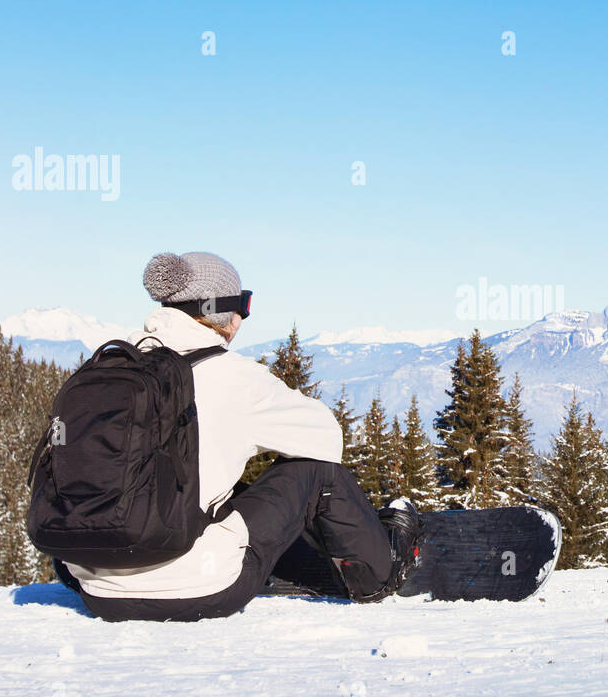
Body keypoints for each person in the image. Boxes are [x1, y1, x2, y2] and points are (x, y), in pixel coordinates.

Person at [54, 251, 421, 622]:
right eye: (243, 305)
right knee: (319, 474)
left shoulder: (110, 368)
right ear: (223, 313)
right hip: (199, 588)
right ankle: (380, 573)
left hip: (96, 588)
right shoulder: (233, 375)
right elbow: (326, 439)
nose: (243, 317)